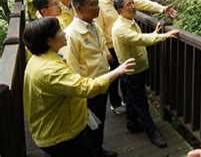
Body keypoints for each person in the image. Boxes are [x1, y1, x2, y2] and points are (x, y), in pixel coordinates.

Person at [23, 17, 136, 157]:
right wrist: (118, 71)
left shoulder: (38, 59)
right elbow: (86, 88)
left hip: (56, 127)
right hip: (61, 134)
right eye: (59, 30)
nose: (64, 32)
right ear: (48, 40)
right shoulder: (50, 70)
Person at [95, 0, 177, 115]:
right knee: (114, 77)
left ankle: (128, 103)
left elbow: (141, 2)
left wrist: (162, 9)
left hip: (127, 41)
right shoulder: (99, 4)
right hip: (110, 46)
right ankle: (115, 103)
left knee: (127, 75)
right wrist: (105, 52)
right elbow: (98, 30)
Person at [112, 0, 179, 147]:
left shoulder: (129, 20)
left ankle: (132, 124)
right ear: (120, 10)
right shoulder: (120, 28)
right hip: (132, 72)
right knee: (141, 103)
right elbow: (140, 39)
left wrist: (154, 33)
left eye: (132, 3)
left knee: (131, 98)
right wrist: (164, 36)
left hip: (137, 68)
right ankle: (152, 132)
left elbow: (140, 37)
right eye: (128, 5)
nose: (133, 6)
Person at [65, 0, 117, 157]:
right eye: (93, 5)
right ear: (79, 9)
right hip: (88, 89)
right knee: (88, 126)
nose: (98, 8)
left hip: (101, 82)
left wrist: (107, 54)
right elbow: (72, 68)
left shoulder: (93, 25)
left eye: (97, 4)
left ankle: (98, 149)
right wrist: (82, 95)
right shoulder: (71, 34)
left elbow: (101, 45)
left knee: (99, 121)